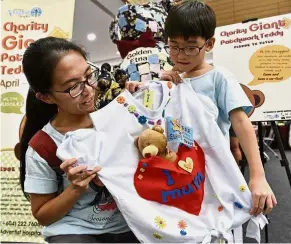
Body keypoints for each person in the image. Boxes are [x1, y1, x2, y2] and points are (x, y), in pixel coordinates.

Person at [160, 0, 277, 216]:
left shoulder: (219, 77)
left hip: (213, 172)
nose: (180, 55)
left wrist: (258, 176)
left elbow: (241, 123)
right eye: (174, 46)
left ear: (209, 44)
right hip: (177, 171)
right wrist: (154, 86)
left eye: (190, 47)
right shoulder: (171, 80)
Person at [19, 37, 139, 243]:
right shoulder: (44, 146)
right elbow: (42, 214)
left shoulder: (116, 113)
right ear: (46, 97)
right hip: (75, 231)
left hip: (132, 223)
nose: (89, 90)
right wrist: (75, 188)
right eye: (73, 87)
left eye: (89, 76)